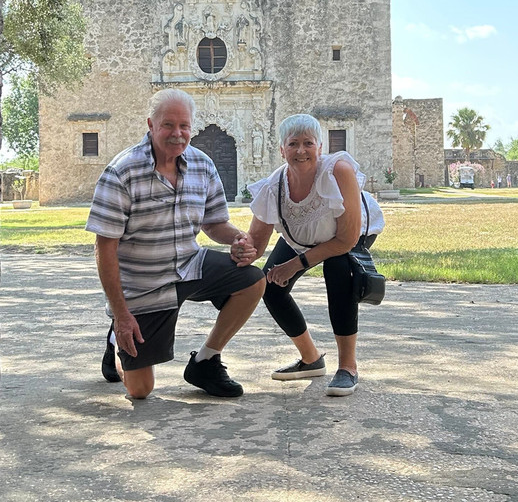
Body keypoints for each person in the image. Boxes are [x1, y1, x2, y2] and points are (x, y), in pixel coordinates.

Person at [87, 88, 266, 399]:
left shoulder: (203, 165)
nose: (177, 134)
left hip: (188, 265)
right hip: (143, 285)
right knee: (141, 390)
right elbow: (105, 249)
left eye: (184, 126)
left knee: (252, 280)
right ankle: (118, 344)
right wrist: (121, 314)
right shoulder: (122, 171)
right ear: (151, 125)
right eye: (168, 125)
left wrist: (237, 238)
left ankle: (206, 361)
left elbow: (214, 222)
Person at [240, 114, 384, 397]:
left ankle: (347, 367)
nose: (301, 151)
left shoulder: (338, 171)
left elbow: (346, 239)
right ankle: (310, 359)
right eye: (293, 144)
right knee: (271, 285)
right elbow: (255, 244)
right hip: (302, 234)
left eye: (308, 143)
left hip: (347, 231)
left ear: (320, 146)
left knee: (337, 269)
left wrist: (296, 264)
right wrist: (240, 250)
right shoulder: (275, 186)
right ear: (282, 150)